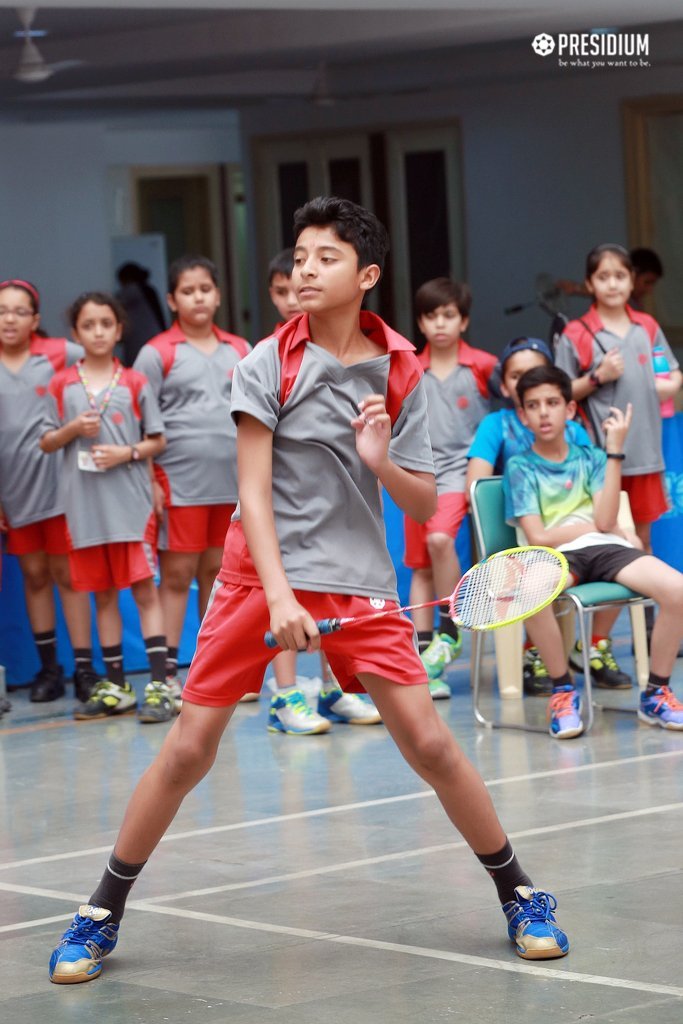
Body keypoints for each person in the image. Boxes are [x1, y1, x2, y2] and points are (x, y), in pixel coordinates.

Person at [48, 197, 568, 985]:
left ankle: (518, 892)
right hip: (262, 579)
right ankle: (99, 911)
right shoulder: (269, 361)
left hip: (359, 584)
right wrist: (282, 596)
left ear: (365, 275)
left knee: (430, 744)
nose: (304, 268)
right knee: (188, 750)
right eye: (297, 255)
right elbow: (250, 493)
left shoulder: (399, 369)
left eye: (324, 256)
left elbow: (425, 504)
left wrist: (379, 457)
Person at [504, 363, 683, 739]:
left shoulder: (593, 458)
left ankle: (656, 692)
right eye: (533, 405)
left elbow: (605, 519)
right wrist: (599, 527)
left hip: (606, 549)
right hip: (558, 556)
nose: (543, 412)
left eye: (552, 402)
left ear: (569, 409)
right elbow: (538, 535)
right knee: (530, 595)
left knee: (677, 590)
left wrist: (614, 451)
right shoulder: (520, 467)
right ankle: (563, 692)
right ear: (522, 415)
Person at [466, 336, 632, 695]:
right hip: (525, 532)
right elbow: (477, 486)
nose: (544, 410)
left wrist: (611, 528)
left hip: (580, 537)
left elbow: (592, 485)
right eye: (517, 375)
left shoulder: (572, 430)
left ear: (566, 404)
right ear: (506, 384)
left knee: (633, 554)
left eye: (536, 373)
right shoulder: (497, 425)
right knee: (535, 587)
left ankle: (593, 645)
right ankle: (537, 655)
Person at [260, 247, 381, 732]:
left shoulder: (360, 357)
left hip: (339, 511)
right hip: (287, 510)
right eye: (282, 288)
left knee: (332, 603)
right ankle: (286, 696)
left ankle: (333, 690)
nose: (295, 294)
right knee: (287, 605)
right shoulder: (269, 357)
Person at [40, 292, 168, 723]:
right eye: (88, 325)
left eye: (105, 324)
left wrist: (126, 453)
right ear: (75, 334)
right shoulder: (60, 384)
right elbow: (46, 440)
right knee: (103, 595)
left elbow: (158, 440)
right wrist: (73, 428)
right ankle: (116, 686)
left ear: (118, 330)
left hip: (131, 508)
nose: (97, 332)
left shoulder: (134, 381)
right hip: (84, 511)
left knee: (145, 592)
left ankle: (158, 685)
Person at [134, 256, 250, 716]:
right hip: (178, 484)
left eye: (206, 288)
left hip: (232, 485)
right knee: (178, 576)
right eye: (188, 290)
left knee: (217, 577)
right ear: (171, 300)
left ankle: (210, 673)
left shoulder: (240, 348)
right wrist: (151, 482)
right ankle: (164, 677)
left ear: (218, 295)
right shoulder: (156, 352)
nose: (198, 297)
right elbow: (141, 424)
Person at [555, 243, 681, 647]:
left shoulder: (647, 326)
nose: (613, 283)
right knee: (599, 546)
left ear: (632, 282)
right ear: (590, 283)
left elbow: (672, 376)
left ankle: (636, 635)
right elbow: (558, 394)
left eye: (620, 275)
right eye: (604, 276)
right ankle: (586, 643)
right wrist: (598, 376)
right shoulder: (577, 333)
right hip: (598, 463)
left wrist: (653, 384)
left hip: (645, 456)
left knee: (640, 544)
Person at [0, 279, 97, 704]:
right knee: (35, 577)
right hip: (13, 492)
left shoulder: (60, 353)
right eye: (2, 310)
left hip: (60, 488)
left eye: (20, 312)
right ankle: (48, 671)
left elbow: (101, 366)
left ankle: (86, 670)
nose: (9, 319)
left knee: (68, 577)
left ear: (35, 320)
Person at [404, 277, 497, 700]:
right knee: (421, 567)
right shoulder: (407, 366)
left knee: (441, 540)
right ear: (421, 323)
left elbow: (519, 404)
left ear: (464, 321)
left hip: (465, 475)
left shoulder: (483, 365)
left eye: (449, 315)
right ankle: (425, 663)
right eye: (431, 315)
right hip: (418, 475)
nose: (440, 323)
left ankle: (449, 627)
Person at [555, 246, 664, 311]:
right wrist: (575, 288)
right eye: (647, 282)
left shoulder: (637, 307)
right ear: (632, 275)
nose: (649, 290)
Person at [115, 262, 167, 366]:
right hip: (154, 337)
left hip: (140, 340)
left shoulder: (132, 290)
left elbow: (111, 303)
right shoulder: (147, 289)